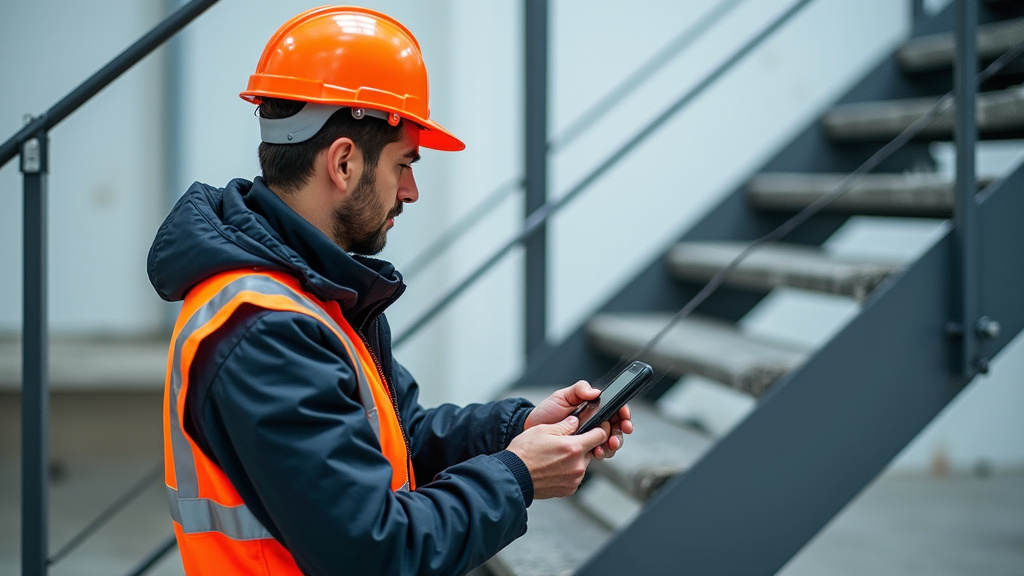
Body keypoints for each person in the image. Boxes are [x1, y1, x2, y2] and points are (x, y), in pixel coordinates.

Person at [147, 6, 633, 576]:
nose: (412, 190)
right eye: (404, 163)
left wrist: (518, 429)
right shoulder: (264, 328)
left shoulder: (308, 293)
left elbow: (402, 438)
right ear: (344, 163)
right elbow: (376, 552)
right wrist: (518, 475)